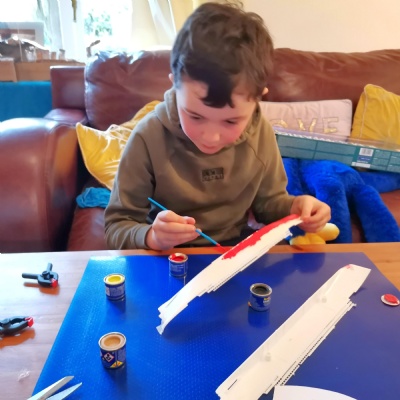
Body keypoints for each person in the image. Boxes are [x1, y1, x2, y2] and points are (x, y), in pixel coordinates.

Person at [105, 1, 331, 250]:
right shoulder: (147, 137)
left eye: (231, 121)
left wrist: (296, 207)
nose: (211, 137)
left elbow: (268, 205)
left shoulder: (261, 132)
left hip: (232, 249)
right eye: (195, 116)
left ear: (258, 98)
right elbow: (117, 225)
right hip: (166, 254)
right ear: (174, 85)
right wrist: (152, 236)